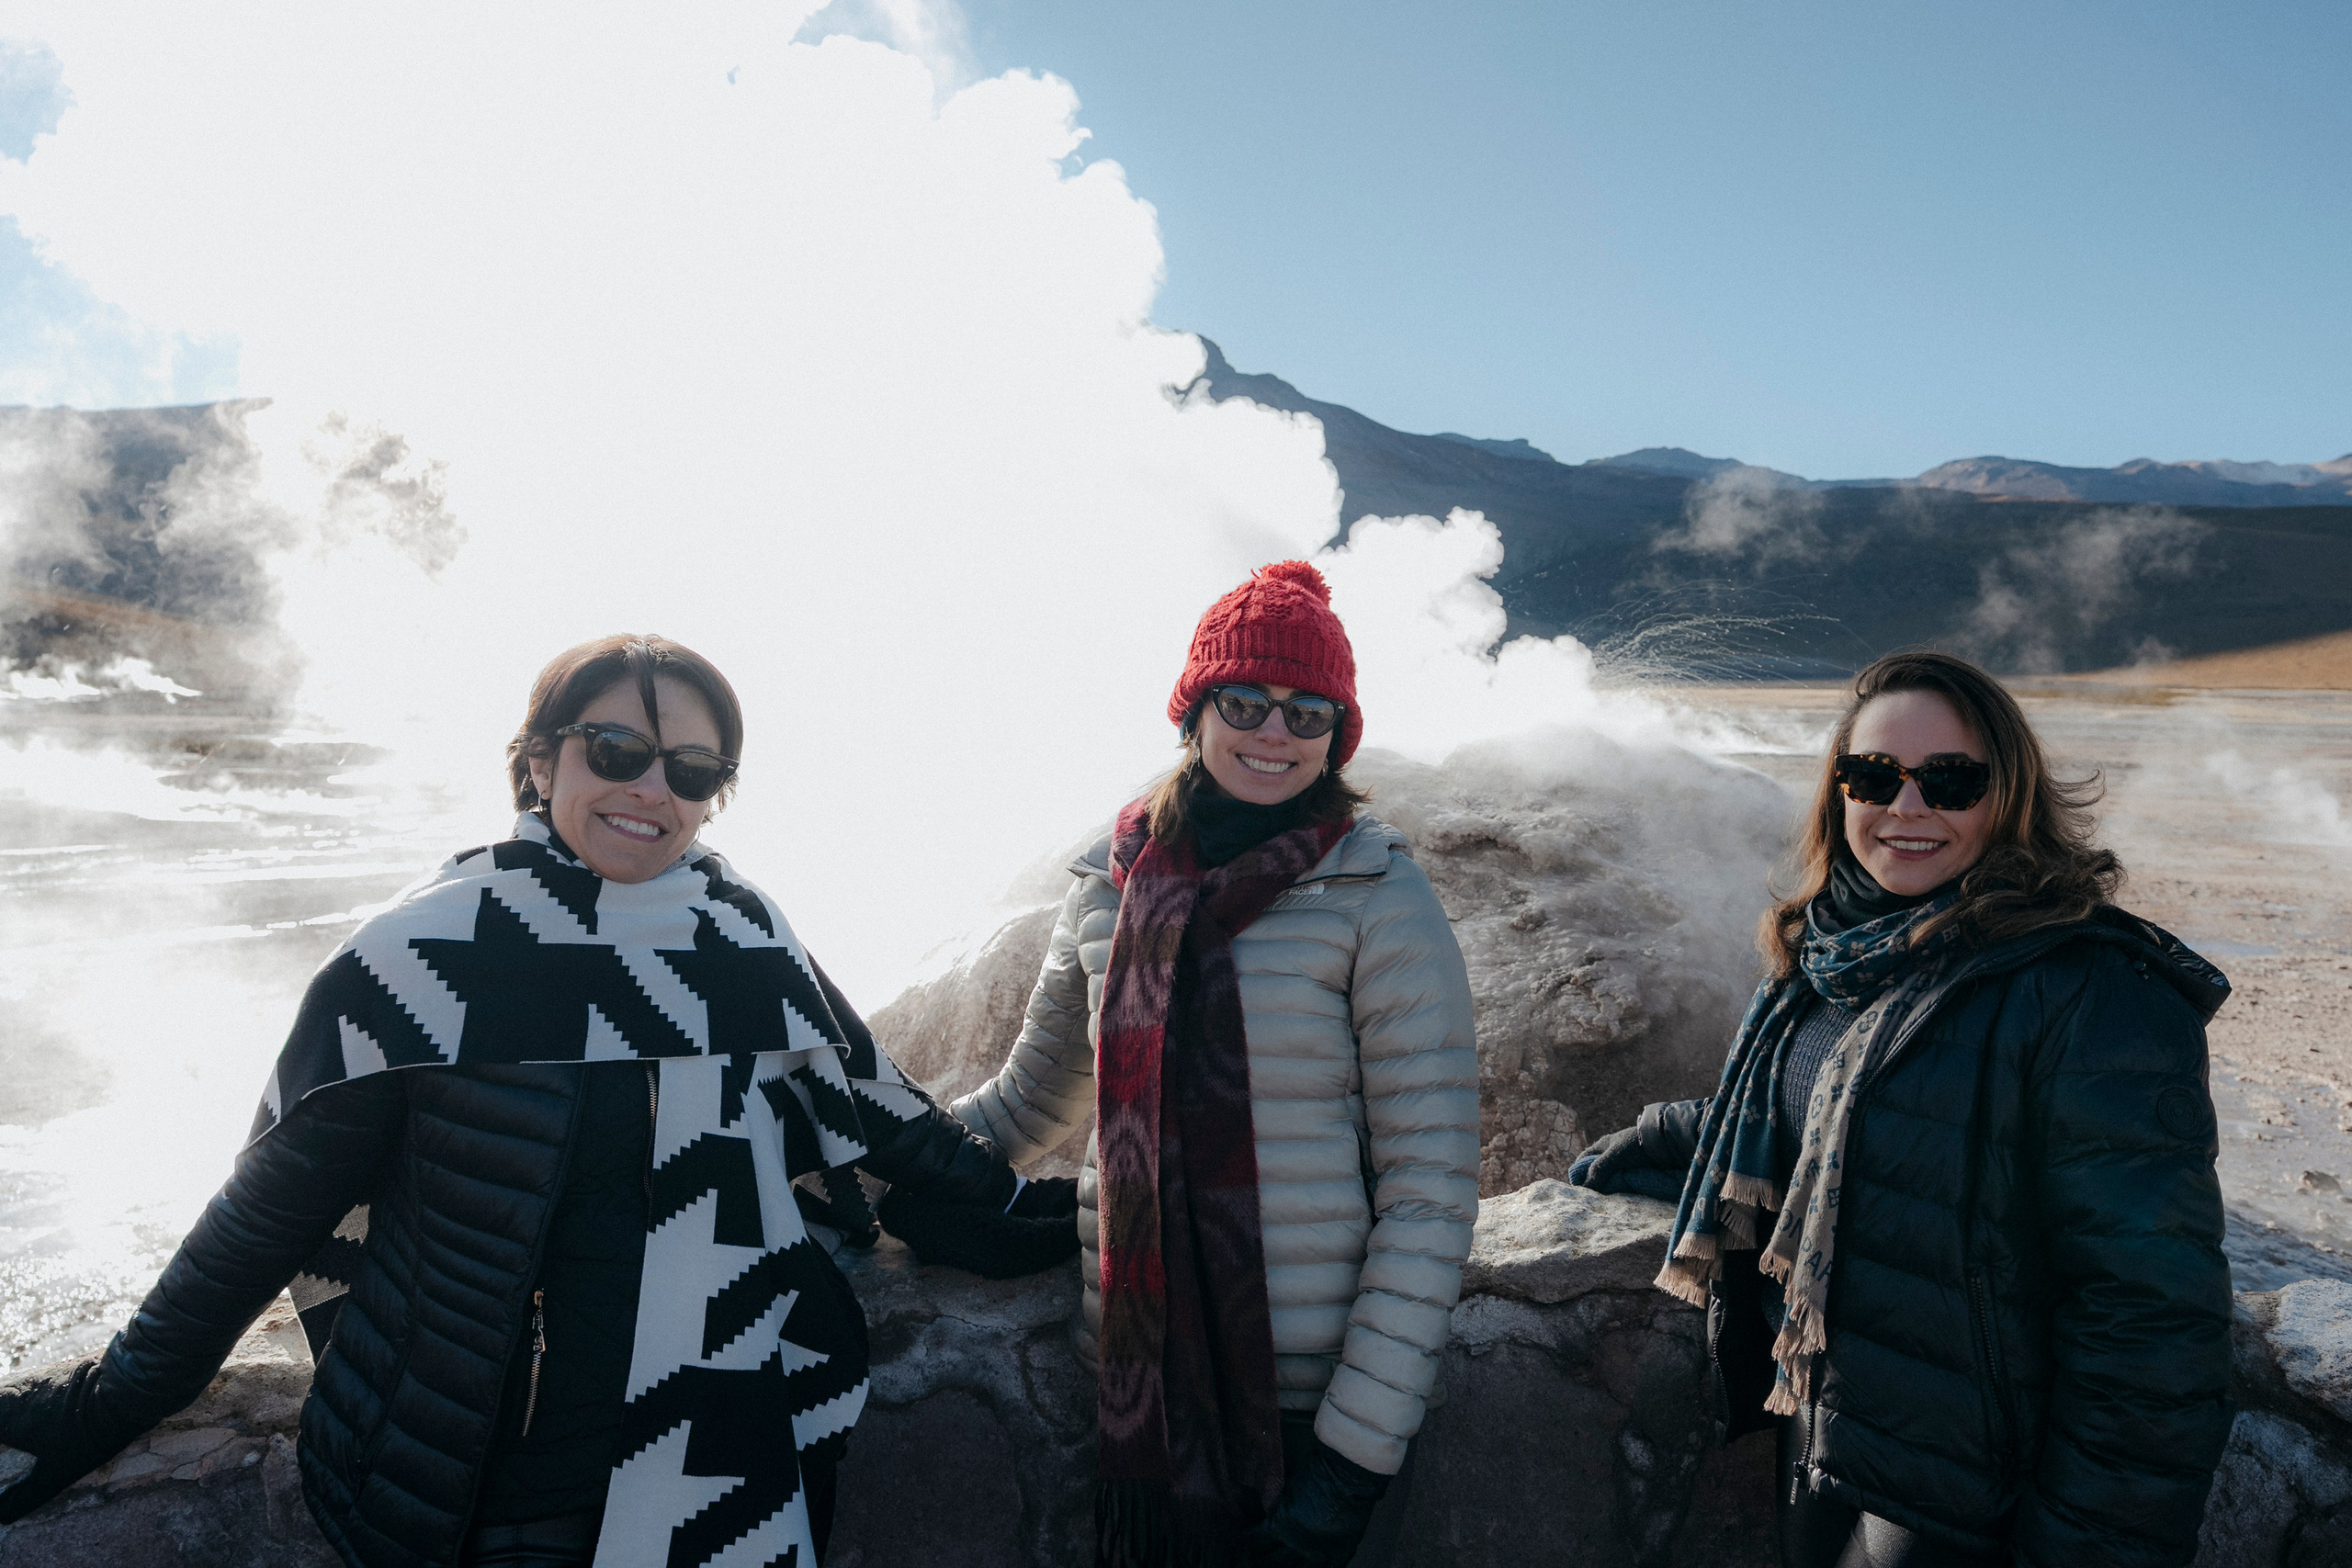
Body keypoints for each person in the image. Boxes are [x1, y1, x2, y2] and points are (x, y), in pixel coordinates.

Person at [0, 634, 1075, 1567]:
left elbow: (876, 1109)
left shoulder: (739, 935)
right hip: (502, 1475)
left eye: (693, 769)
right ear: (537, 760)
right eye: (616, 752)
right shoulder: (428, 956)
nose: (652, 788)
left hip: (733, 1439)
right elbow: (265, 1214)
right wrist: (107, 1403)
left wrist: (1044, 1215)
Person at [1571, 650, 2233, 1568]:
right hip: (1823, 1428)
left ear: (2009, 797)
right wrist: (1661, 1137)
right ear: (1838, 792)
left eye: (1951, 781)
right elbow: (1803, 1127)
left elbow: (2149, 1319)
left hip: (1964, 1494)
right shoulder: (1832, 957)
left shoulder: (2086, 993)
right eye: (1873, 775)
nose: (1906, 808)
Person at [950, 560, 1480, 1568]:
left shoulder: (1375, 891)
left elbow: (1430, 1187)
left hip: (1314, 1412)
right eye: (1245, 700)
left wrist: (1348, 1471)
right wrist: (861, 1147)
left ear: (1338, 733)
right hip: (1142, 1401)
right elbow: (1028, 1104)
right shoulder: (1108, 888)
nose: (1274, 733)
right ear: (1194, 709)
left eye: (1308, 712)